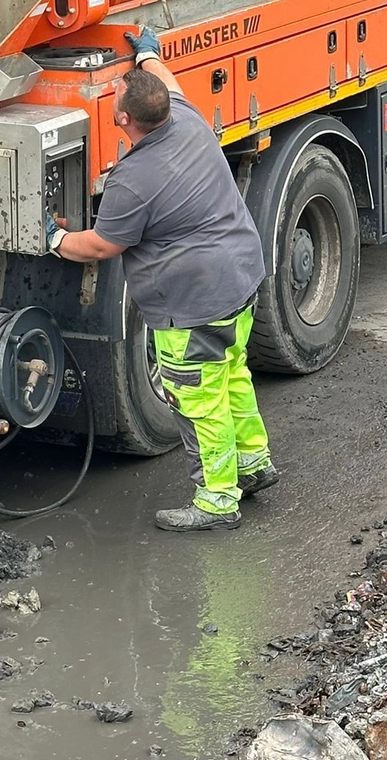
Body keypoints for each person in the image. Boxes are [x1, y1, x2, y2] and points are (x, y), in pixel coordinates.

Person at [45, 27, 277, 532]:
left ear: (124, 120)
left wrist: (53, 238)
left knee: (197, 400)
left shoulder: (133, 180)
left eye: (117, 94)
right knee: (231, 373)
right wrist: (148, 54)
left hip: (193, 304)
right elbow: (164, 80)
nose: (114, 92)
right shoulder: (187, 118)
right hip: (241, 277)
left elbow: (102, 245)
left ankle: (218, 501)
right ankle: (252, 463)